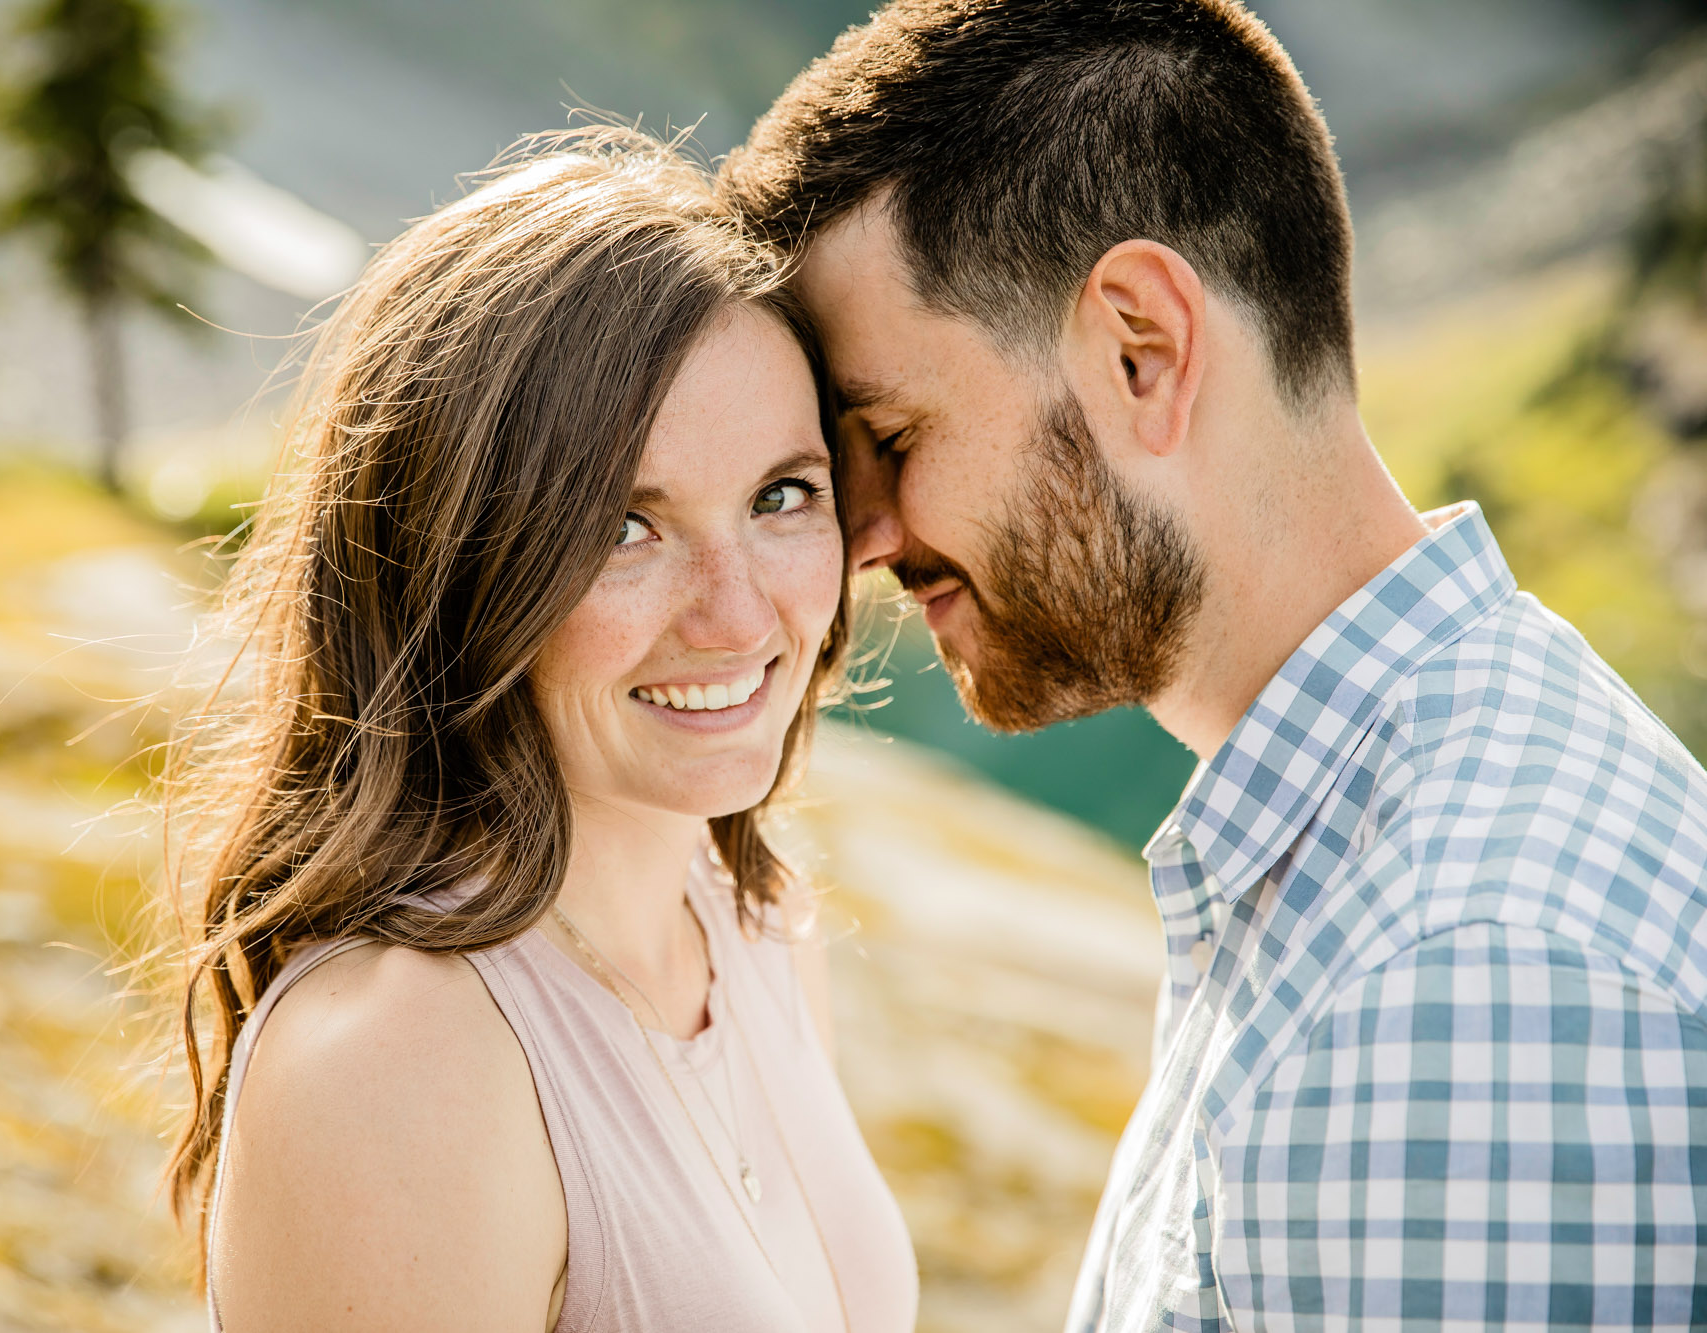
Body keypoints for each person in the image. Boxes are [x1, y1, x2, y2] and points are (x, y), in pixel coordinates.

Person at [723, 1, 1707, 1328]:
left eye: (892, 436)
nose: (869, 537)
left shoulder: (1462, 980)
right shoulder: (1379, 865)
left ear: (1145, 346)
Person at [164, 132, 918, 1333]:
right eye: (625, 525)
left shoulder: (755, 931)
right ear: (453, 567)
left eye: (781, 495)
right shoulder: (398, 1066)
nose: (735, 614)